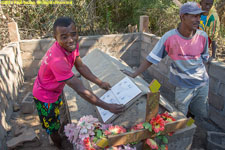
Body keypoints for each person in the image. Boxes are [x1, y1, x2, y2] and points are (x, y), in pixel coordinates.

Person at [32, 17, 125, 149]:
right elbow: (80, 90)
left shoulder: (71, 46)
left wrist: (100, 83)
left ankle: (58, 130)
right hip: (44, 96)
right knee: (52, 126)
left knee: (57, 113)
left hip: (55, 90)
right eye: (64, 37)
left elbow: (81, 67)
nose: (70, 39)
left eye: (73, 34)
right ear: (55, 37)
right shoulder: (57, 60)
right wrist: (108, 106)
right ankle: (58, 145)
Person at [122, 2, 209, 119]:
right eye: (194, 16)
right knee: (181, 114)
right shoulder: (170, 37)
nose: (198, 19)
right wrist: (135, 74)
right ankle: (185, 128)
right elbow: (152, 58)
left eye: (199, 16)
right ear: (182, 17)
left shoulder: (202, 36)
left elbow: (204, 58)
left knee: (201, 112)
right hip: (183, 87)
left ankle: (192, 125)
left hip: (202, 84)